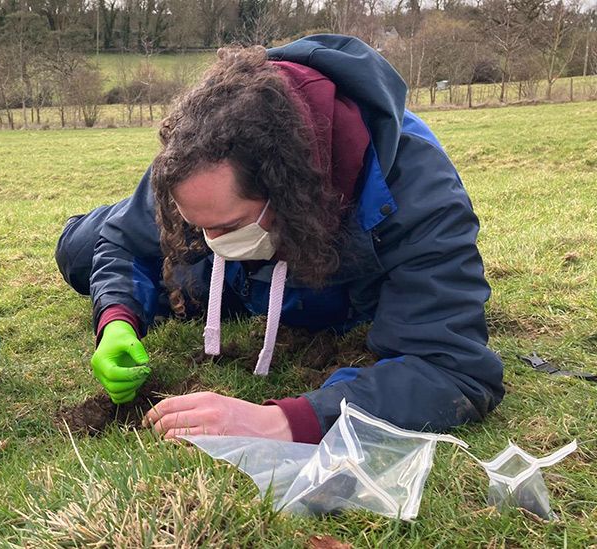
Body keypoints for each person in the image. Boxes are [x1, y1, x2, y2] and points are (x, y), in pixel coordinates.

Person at [55, 36, 504, 444]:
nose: (210, 240)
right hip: (234, 273)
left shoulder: (417, 186)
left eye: (227, 228)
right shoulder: (203, 150)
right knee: (79, 251)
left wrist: (285, 422)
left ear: (288, 191)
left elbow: (453, 370)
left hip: (324, 283)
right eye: (198, 225)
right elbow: (122, 244)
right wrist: (116, 319)